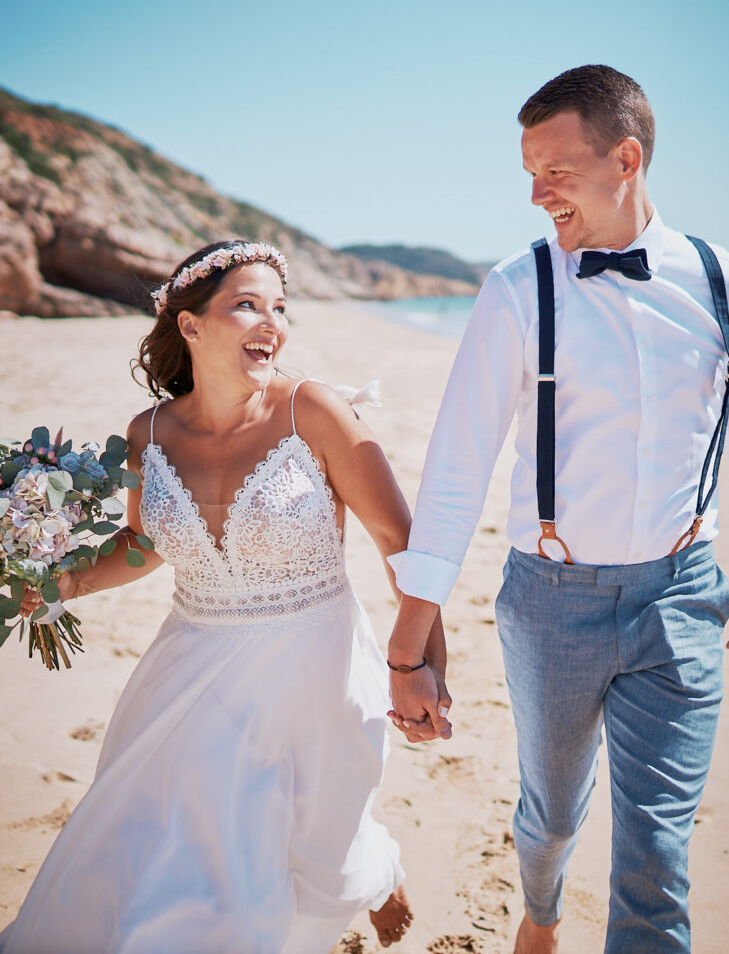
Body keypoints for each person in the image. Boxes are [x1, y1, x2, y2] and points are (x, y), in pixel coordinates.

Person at [384, 65, 729, 953]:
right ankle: (541, 910)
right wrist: (408, 648)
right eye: (530, 174)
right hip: (550, 602)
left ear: (625, 160)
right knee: (553, 817)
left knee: (658, 850)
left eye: (555, 172)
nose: (537, 195)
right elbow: (456, 469)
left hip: (683, 595)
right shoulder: (517, 288)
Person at [1, 238, 449, 954]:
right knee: (187, 868)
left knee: (317, 842)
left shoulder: (313, 411)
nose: (272, 324)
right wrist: (67, 579)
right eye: (247, 305)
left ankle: (376, 870)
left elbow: (402, 547)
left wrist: (424, 666)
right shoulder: (147, 434)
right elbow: (144, 543)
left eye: (280, 308)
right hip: (191, 675)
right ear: (191, 324)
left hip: (316, 671)